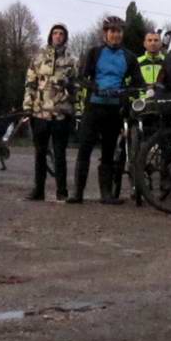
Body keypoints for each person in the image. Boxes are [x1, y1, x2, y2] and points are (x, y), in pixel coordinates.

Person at [67, 16, 145, 205]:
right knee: (85, 148)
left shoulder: (129, 57)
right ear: (105, 34)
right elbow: (81, 78)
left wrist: (126, 91)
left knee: (109, 151)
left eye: (118, 31)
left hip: (114, 109)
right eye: (112, 31)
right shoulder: (94, 53)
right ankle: (78, 192)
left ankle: (106, 194)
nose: (116, 35)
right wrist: (95, 87)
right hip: (94, 107)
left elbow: (138, 82)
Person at [22, 23, 78, 202]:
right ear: (50, 36)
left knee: (60, 154)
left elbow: (78, 86)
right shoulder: (38, 57)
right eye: (55, 33)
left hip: (61, 113)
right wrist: (27, 107)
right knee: (40, 153)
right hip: (40, 113)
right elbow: (30, 83)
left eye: (61, 33)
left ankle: (62, 191)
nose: (58, 36)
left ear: (65, 37)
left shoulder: (72, 60)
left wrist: (73, 103)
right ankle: (38, 190)